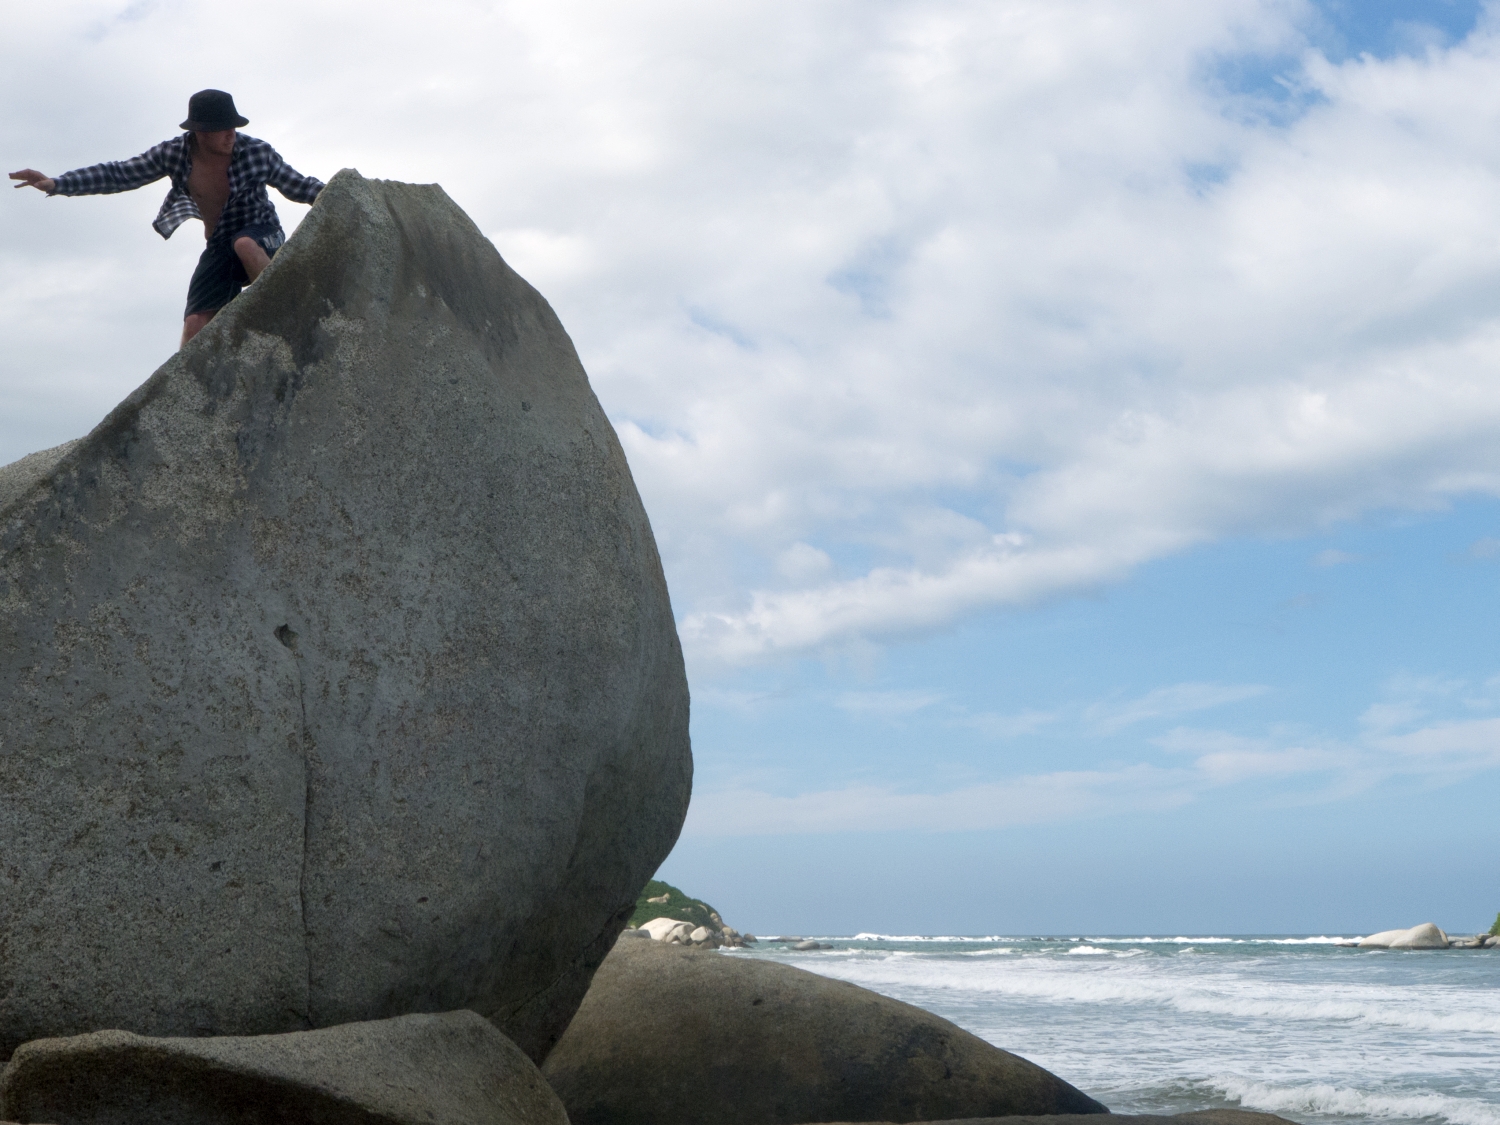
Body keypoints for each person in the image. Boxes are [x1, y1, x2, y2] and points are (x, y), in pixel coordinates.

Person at [10, 90, 324, 347]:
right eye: (222, 127)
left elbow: (298, 185)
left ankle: (288, 316)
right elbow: (120, 174)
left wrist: (346, 192)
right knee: (194, 323)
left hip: (263, 235)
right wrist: (58, 183)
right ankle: (189, 388)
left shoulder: (257, 152)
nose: (232, 133)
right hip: (219, 244)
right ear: (200, 132)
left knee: (244, 243)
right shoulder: (174, 154)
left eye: (234, 125)